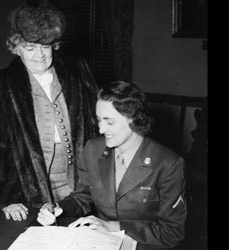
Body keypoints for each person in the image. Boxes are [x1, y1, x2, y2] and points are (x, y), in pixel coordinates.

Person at [0, 0, 99, 221]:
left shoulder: (77, 71)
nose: (39, 55)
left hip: (79, 184)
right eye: (29, 48)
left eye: (45, 47)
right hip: (29, 188)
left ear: (54, 45)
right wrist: (6, 197)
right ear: (15, 47)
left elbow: (96, 126)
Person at [38, 81, 187, 250]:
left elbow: (172, 232)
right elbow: (83, 196)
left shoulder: (168, 164)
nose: (101, 129)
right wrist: (58, 208)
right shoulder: (93, 149)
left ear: (134, 119)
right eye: (99, 120)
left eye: (109, 122)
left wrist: (115, 227)